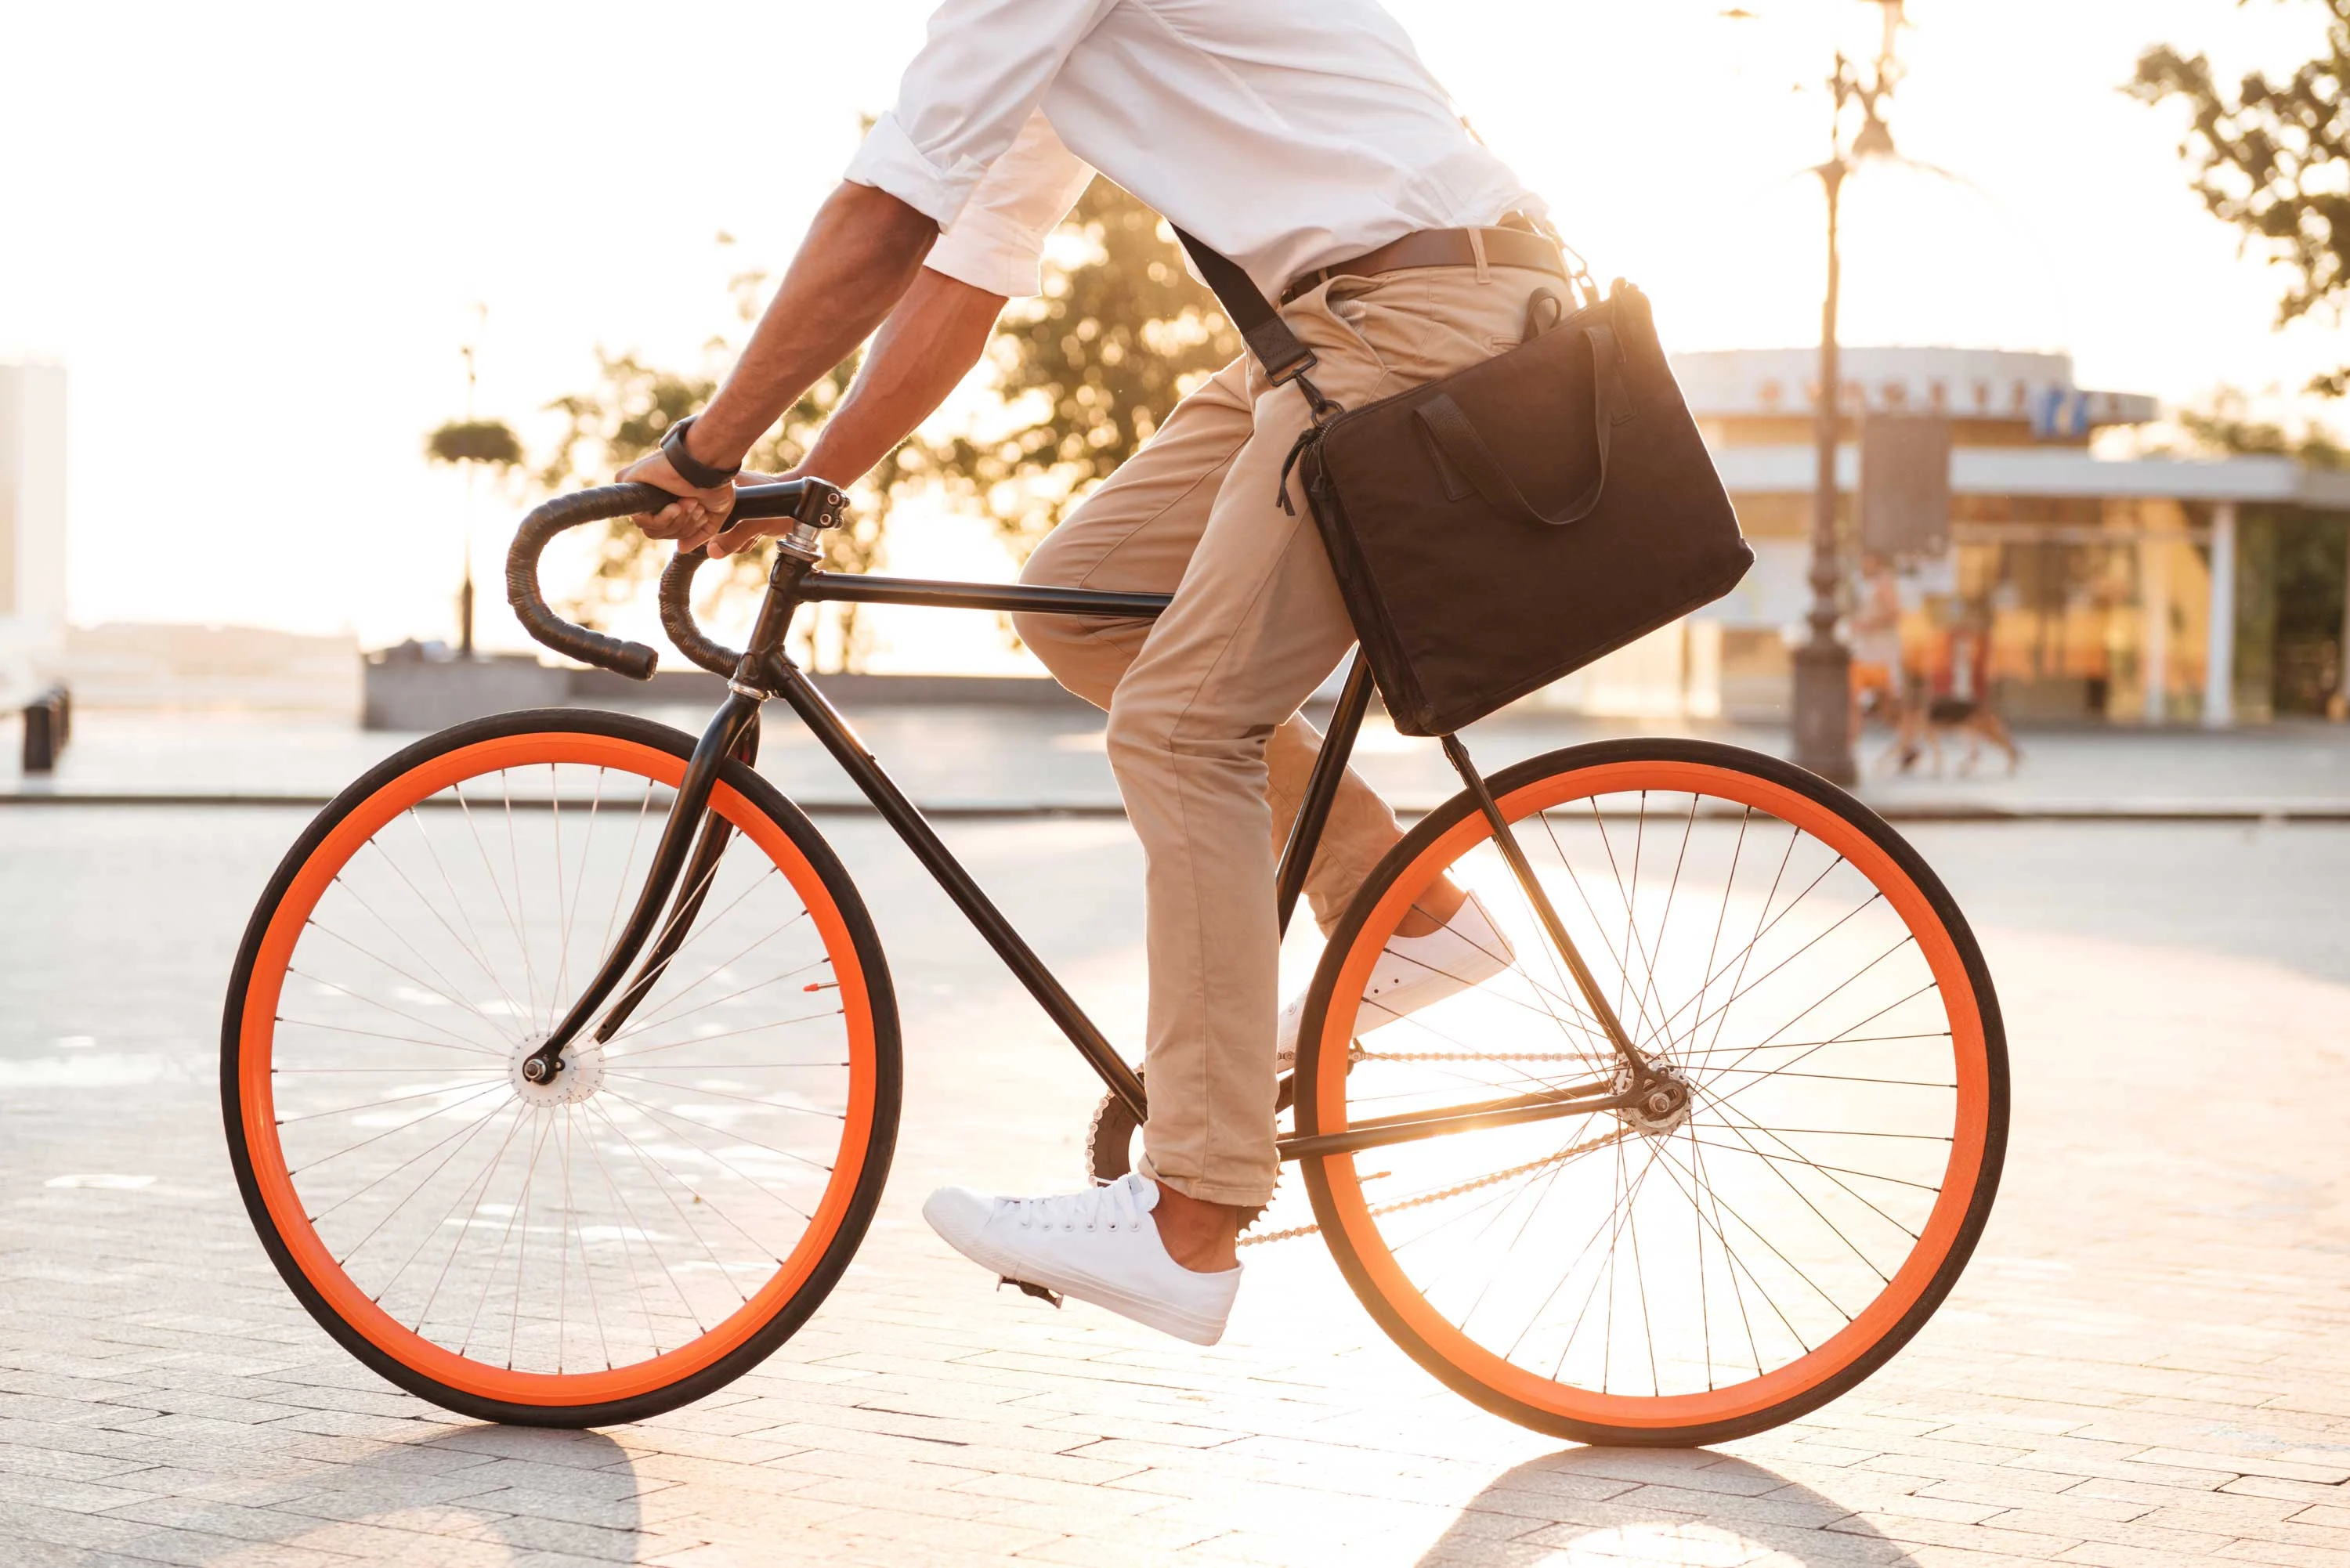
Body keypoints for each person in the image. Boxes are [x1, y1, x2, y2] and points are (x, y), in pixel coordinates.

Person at [613, 0, 1567, 1347]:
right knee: (1077, 596)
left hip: (1406, 318)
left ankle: (1190, 1217)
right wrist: (813, 479)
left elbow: (888, 214)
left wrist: (706, 447)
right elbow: (966, 268)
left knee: (1185, 729)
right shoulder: (1051, 37)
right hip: (1341, 320)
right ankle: (1403, 909)